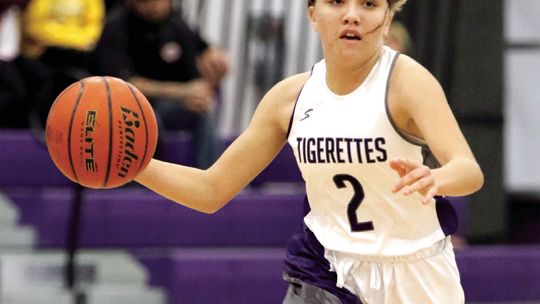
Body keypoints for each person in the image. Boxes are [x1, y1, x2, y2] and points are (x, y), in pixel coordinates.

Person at [134, 0, 484, 303]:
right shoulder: (289, 99)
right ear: (313, 15)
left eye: (369, 4)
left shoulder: (407, 82)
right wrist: (134, 166)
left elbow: (468, 170)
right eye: (336, 2)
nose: (351, 15)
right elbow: (210, 190)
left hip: (415, 271)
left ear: (387, 19)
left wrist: (437, 177)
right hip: (326, 268)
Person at [92, 0, 228, 169]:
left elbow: (202, 49)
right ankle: (141, 186)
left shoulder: (175, 22)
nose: (156, 6)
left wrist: (214, 58)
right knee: (148, 119)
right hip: (130, 108)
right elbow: (124, 83)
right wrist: (183, 92)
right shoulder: (117, 25)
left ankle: (210, 177)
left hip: (173, 105)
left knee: (202, 111)